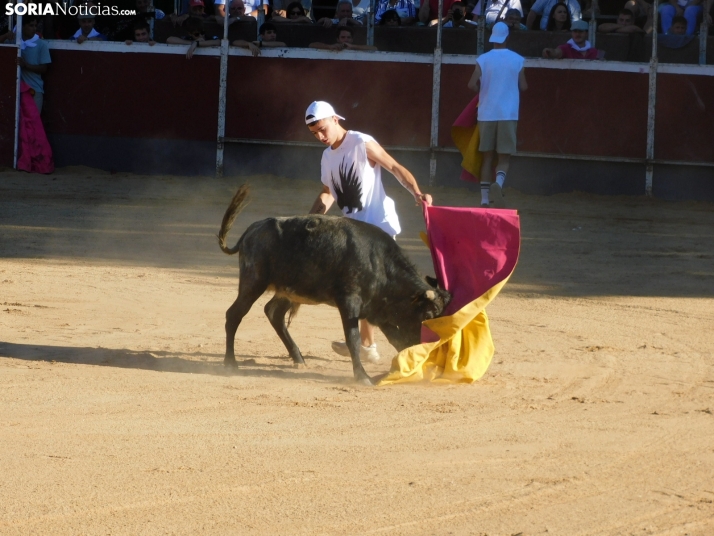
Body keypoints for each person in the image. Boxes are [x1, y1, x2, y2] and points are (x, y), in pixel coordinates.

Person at [304, 101, 433, 363]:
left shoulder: (361, 142)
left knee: (369, 291)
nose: (320, 136)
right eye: (314, 133)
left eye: (322, 129)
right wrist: (308, 223)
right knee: (362, 290)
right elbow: (328, 193)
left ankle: (392, 343)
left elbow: (394, 167)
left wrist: (416, 193)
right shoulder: (327, 157)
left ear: (335, 119)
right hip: (354, 233)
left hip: (379, 227)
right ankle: (369, 345)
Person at [466, 22, 527, 208]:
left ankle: (484, 200)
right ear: (507, 37)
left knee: (487, 157)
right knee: (504, 157)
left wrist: (481, 89)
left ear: (492, 38)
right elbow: (523, 86)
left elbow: (471, 84)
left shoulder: (483, 59)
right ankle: (498, 184)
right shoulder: (518, 59)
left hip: (487, 113)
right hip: (508, 113)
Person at [0, 16, 51, 114]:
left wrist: (26, 65)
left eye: (35, 26)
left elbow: (44, 68)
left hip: (34, 89)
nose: (34, 28)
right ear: (22, 27)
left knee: (32, 123)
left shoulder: (42, 45)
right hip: (15, 91)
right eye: (31, 25)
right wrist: (6, 35)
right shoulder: (14, 41)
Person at [309, 26, 377, 50]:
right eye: (343, 37)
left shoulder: (355, 48)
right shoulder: (332, 47)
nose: (346, 40)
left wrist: (353, 46)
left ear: (352, 39)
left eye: (348, 37)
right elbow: (311, 45)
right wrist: (329, 47)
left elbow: (374, 48)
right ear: (338, 39)